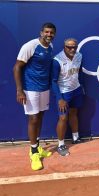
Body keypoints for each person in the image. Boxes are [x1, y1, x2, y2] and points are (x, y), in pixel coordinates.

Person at [13, 22, 56, 171]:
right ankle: (33, 153)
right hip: (31, 88)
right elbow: (17, 67)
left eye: (51, 32)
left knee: (41, 116)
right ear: (41, 32)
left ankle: (37, 147)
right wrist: (20, 90)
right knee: (33, 118)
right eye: (46, 32)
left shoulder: (50, 48)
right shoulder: (30, 46)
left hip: (44, 88)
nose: (49, 35)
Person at [51, 38, 84, 156]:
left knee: (74, 113)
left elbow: (78, 72)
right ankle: (60, 145)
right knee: (63, 119)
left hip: (76, 90)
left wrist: (81, 86)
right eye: (69, 47)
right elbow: (53, 81)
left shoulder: (79, 56)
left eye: (74, 47)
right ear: (64, 47)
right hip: (64, 93)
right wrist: (59, 98)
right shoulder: (57, 60)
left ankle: (76, 137)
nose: (72, 49)